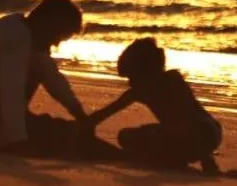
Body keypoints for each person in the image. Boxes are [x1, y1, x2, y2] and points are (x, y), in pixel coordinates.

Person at [0, 0, 101, 156]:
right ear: (48, 24)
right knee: (71, 139)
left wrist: (79, 113)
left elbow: (53, 78)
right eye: (59, 35)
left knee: (64, 130)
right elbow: (11, 92)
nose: (56, 43)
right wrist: (18, 141)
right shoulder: (16, 37)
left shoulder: (22, 32)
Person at [88, 38, 222, 174]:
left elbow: (188, 120)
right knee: (133, 135)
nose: (130, 82)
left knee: (128, 137)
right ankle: (177, 156)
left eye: (132, 77)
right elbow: (104, 113)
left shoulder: (154, 87)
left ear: (143, 71)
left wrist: (206, 159)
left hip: (196, 136)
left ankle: (170, 158)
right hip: (212, 133)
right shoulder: (173, 80)